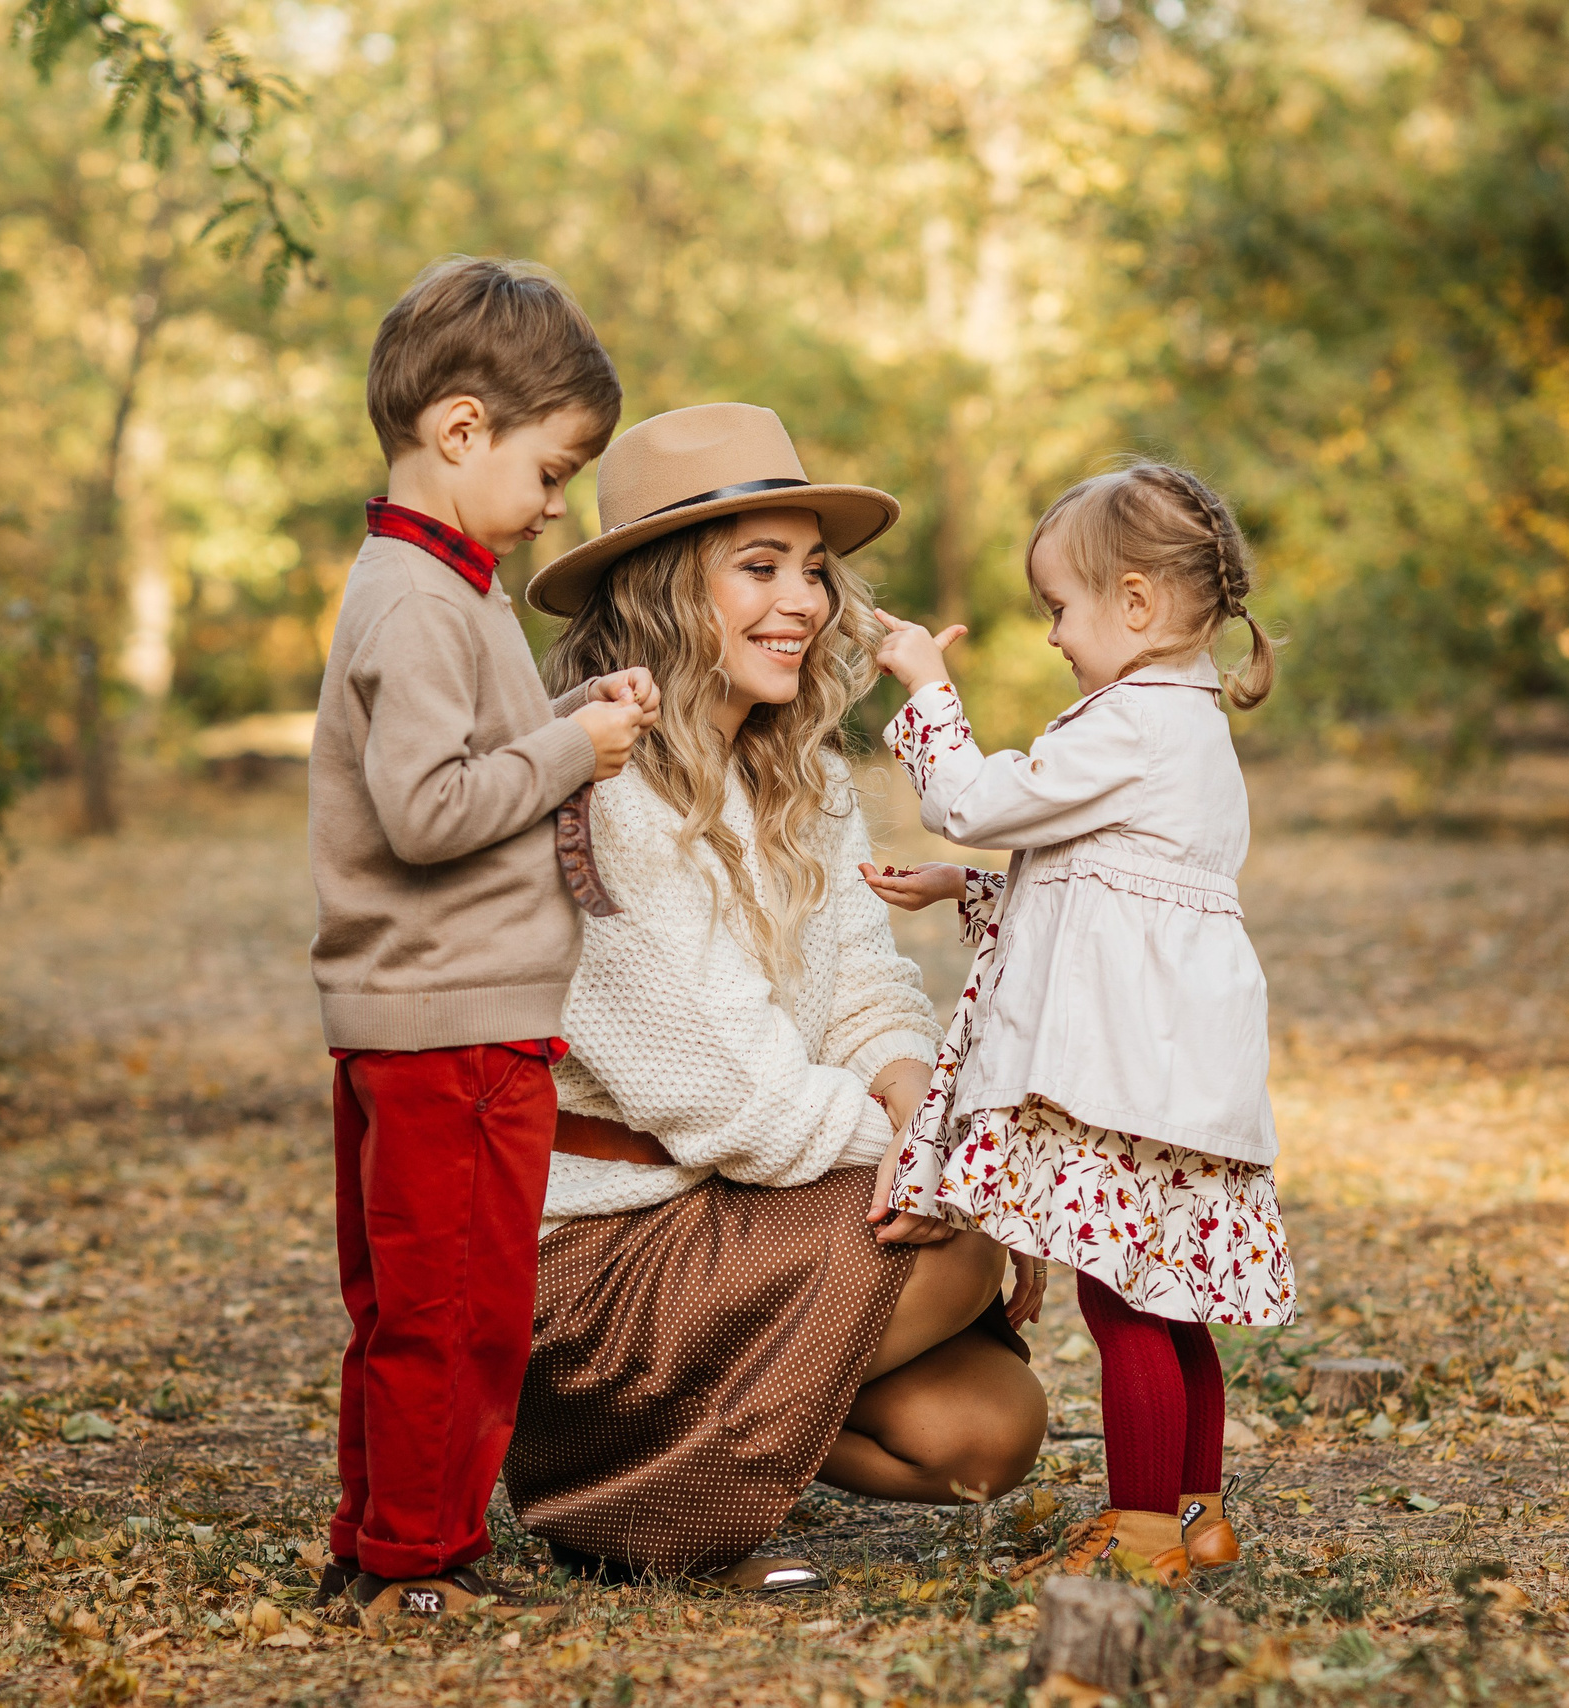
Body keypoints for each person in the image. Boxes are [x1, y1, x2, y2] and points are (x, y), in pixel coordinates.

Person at [500, 402, 1049, 1590]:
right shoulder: (602, 790)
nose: (802, 601)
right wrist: (956, 1175)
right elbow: (746, 1105)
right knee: (953, 1257)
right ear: (659, 591)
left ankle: (700, 1450)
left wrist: (915, 1098)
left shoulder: (793, 767)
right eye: (758, 568)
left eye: (812, 569)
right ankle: (639, 1500)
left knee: (986, 1435)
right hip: (603, 1254)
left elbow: (867, 983)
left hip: (751, 1224)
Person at [863, 461, 1297, 1583]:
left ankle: (1144, 1527)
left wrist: (922, 684)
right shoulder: (1180, 725)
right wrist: (962, 890)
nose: (1054, 634)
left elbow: (972, 796)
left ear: (1138, 604)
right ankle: (1194, 1511)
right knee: (1167, 1294)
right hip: (1167, 1065)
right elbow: (1104, 894)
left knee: (1120, 1297)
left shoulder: (1132, 723)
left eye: (1060, 606)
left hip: (1120, 1074)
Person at [307, 257, 661, 1631]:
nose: (559, 501)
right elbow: (427, 810)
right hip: (451, 1023)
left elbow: (473, 758)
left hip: (442, 1014)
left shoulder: (446, 586)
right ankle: (417, 1564)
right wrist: (574, 749)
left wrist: (573, 721)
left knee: (414, 1303)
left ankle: (381, 1540)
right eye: (554, 469)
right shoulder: (416, 598)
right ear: (462, 432)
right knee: (457, 1313)